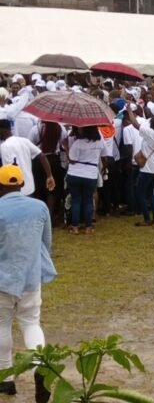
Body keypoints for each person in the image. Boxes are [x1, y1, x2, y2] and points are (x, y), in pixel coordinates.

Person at [0, 165, 54, 401]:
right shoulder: (40, 207)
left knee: (2, 326)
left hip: (2, 280)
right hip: (31, 279)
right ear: (22, 184)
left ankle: (6, 380)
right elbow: (47, 242)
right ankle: (39, 368)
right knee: (32, 324)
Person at [125, 106, 154, 227]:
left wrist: (129, 110)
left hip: (147, 168)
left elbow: (134, 123)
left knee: (140, 193)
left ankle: (146, 219)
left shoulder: (150, 133)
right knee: (150, 192)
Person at [65, 126, 110, 235]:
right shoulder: (99, 142)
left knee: (76, 200)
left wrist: (66, 148)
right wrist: (104, 167)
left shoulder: (78, 143)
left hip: (75, 173)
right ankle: (88, 227)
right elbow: (105, 157)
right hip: (90, 174)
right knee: (88, 200)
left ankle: (75, 227)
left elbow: (72, 160)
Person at [0, 119, 55, 199]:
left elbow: (10, 168)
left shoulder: (4, 146)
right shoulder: (24, 141)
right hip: (30, 188)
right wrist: (50, 176)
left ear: (2, 130)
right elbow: (42, 156)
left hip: (14, 190)